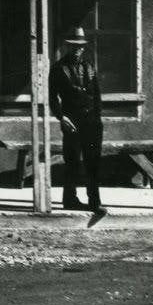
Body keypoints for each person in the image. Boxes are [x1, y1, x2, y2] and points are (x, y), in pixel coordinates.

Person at [49, 26, 104, 213]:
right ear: (67, 46)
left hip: (92, 123)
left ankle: (95, 202)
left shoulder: (89, 66)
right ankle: (69, 199)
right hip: (71, 122)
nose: (78, 49)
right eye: (74, 45)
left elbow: (97, 96)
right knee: (72, 162)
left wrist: (98, 120)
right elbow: (51, 98)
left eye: (81, 46)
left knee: (93, 163)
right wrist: (61, 117)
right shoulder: (58, 68)